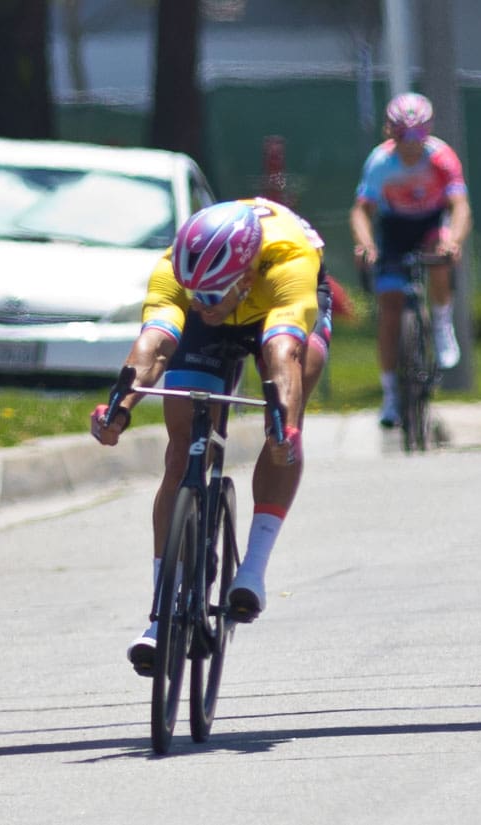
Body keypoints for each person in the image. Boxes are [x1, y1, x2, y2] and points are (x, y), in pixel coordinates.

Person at [90, 198, 333, 676]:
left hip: (277, 316)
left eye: (212, 294)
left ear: (244, 277)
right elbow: (155, 346)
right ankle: (162, 610)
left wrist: (282, 422)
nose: (201, 303)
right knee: (181, 446)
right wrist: (119, 407)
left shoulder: (289, 263)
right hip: (216, 317)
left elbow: (283, 351)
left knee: (288, 407)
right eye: (193, 294)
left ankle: (254, 569)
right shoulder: (177, 271)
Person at [350, 91, 472, 427]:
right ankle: (390, 396)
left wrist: (454, 240)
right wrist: (365, 245)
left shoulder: (441, 158)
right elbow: (362, 211)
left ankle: (442, 322)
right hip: (394, 227)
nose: (411, 143)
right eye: (403, 134)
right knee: (390, 311)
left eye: (418, 134)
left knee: (439, 253)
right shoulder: (380, 161)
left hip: (431, 223)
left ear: (428, 131)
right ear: (391, 133)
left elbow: (459, 206)